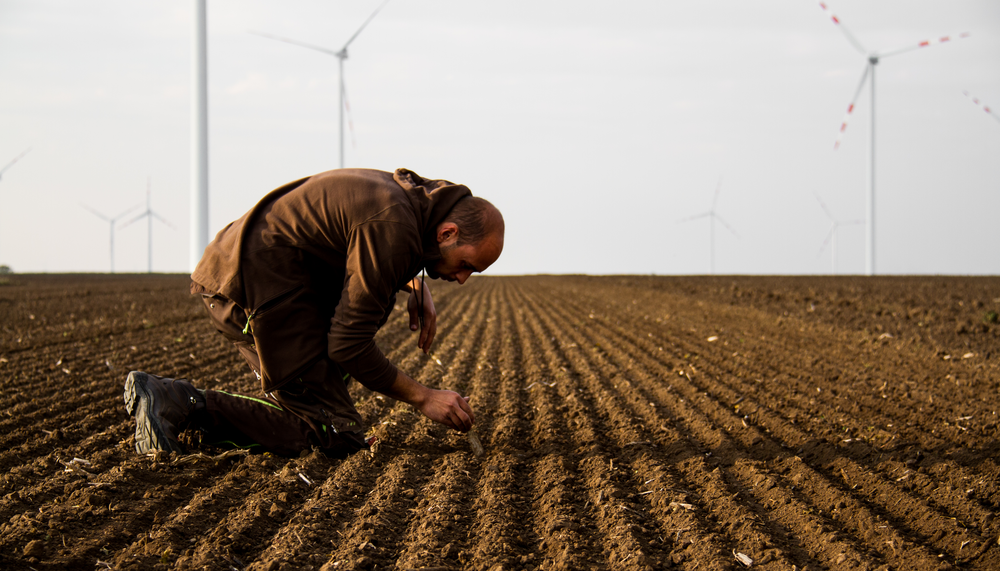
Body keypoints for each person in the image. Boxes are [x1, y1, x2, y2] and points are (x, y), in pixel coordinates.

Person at [123, 168, 504, 458]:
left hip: (257, 277)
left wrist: (416, 283)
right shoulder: (394, 226)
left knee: (322, 398)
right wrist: (423, 396)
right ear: (448, 233)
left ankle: (195, 408)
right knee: (331, 437)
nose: (462, 279)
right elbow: (348, 345)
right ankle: (181, 401)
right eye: (466, 265)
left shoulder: (411, 204)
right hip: (254, 293)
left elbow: (360, 246)